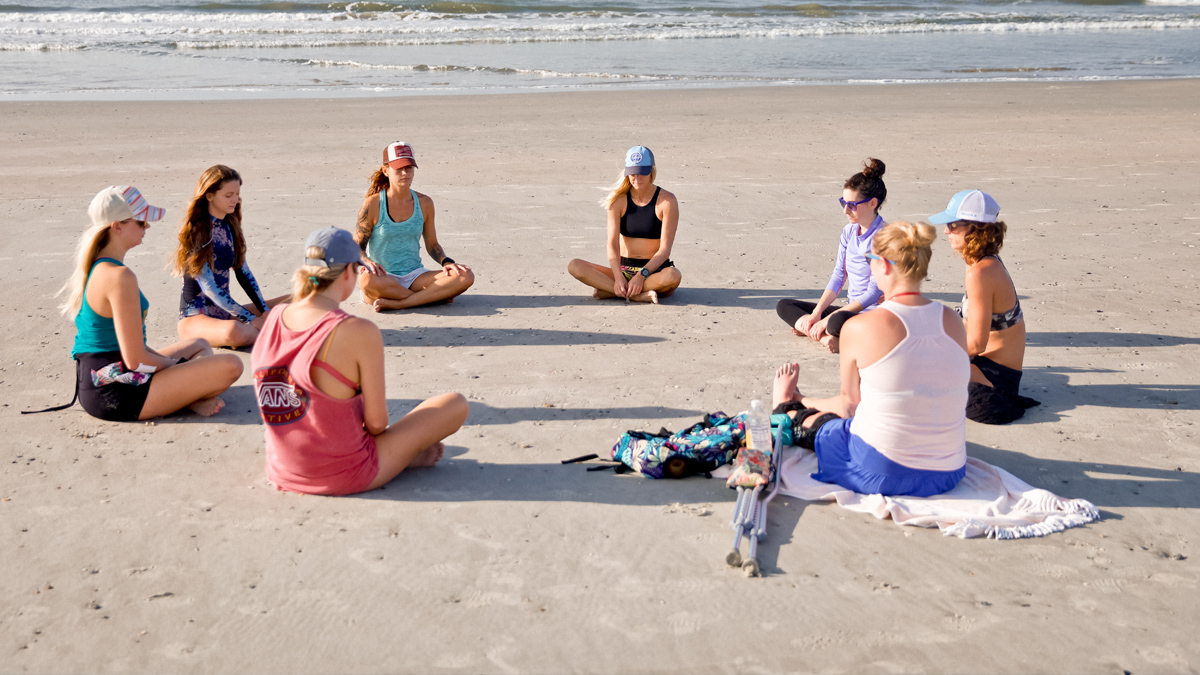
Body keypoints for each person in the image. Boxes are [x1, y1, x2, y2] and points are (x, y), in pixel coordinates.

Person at [251, 226, 469, 496]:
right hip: (345, 473)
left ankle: (400, 455)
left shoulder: (274, 318)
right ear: (347, 273)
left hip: (282, 469)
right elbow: (376, 424)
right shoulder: (357, 331)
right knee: (454, 404)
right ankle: (399, 458)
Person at [771, 221, 970, 497]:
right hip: (949, 472)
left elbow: (848, 406)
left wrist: (802, 400)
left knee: (828, 428)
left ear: (884, 265)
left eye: (870, 260)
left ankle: (786, 408)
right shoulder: (953, 321)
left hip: (882, 473)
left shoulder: (860, 327)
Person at [51, 186, 242, 421]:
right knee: (232, 365)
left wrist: (177, 366)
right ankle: (188, 396)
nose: (147, 226)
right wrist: (176, 366)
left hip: (102, 378)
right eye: (141, 222)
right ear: (117, 226)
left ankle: (188, 395)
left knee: (199, 345)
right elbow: (136, 360)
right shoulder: (118, 276)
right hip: (115, 392)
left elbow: (128, 349)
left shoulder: (100, 266)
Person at [929, 189, 1040, 424]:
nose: (946, 230)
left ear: (975, 228)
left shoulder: (981, 272)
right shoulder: (983, 262)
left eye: (953, 224)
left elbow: (977, 343)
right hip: (991, 365)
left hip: (997, 378)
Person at [776, 158, 888, 353]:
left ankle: (827, 333)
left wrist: (826, 320)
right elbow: (839, 275)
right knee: (785, 305)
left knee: (835, 321)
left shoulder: (884, 237)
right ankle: (825, 336)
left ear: (872, 203)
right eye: (843, 203)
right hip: (849, 311)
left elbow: (874, 293)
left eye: (852, 205)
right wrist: (817, 314)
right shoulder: (849, 232)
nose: (846, 210)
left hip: (873, 315)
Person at [174, 165, 288, 347]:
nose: (235, 200)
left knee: (297, 300)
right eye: (228, 195)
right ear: (209, 196)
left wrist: (264, 311)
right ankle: (280, 332)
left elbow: (244, 273)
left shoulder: (230, 226)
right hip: (196, 319)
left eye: (237, 194)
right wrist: (252, 319)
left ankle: (273, 327)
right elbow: (209, 287)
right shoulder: (197, 233)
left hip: (226, 314)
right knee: (236, 332)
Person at [354, 142, 475, 311]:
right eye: (399, 168)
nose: (405, 173)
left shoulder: (424, 203)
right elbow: (356, 246)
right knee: (366, 280)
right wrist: (366, 261)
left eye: (409, 168)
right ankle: (431, 297)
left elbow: (432, 245)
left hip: (415, 276)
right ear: (386, 170)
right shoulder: (373, 204)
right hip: (382, 278)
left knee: (465, 275)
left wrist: (447, 262)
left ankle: (400, 302)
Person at [567, 145, 682, 303]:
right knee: (575, 266)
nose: (637, 178)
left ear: (651, 171)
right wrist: (618, 276)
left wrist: (642, 276)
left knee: (673, 276)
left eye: (642, 172)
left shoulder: (667, 201)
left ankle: (613, 291)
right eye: (632, 173)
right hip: (624, 269)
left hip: (653, 271)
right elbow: (612, 245)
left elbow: (665, 250)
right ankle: (636, 294)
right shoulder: (618, 201)